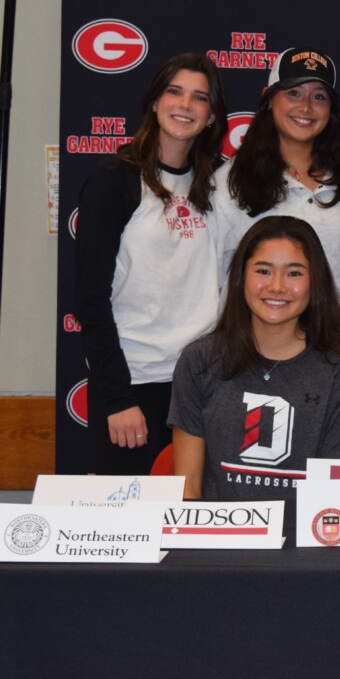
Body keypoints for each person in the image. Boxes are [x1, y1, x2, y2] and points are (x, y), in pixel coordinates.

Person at [74, 52, 227, 475]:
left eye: (199, 98)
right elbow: (90, 298)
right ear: (155, 101)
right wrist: (117, 397)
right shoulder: (114, 179)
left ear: (211, 115)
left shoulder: (222, 183)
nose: (185, 105)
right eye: (174, 92)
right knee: (127, 527)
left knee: (196, 522)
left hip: (203, 382)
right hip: (133, 381)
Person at [168, 216, 340, 500]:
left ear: (316, 282)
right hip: (219, 539)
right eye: (263, 270)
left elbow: (336, 497)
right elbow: (187, 488)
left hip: (304, 540)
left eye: (294, 273)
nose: (277, 286)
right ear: (240, 277)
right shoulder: (199, 360)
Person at [213, 46, 340, 341]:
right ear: (268, 98)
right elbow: (214, 276)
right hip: (259, 351)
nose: (306, 107)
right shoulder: (231, 182)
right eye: (293, 93)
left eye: (318, 96)